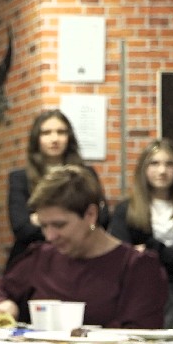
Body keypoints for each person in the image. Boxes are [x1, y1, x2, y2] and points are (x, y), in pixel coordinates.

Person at [0, 165, 168, 329]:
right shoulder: (40, 258)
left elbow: (140, 333)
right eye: (43, 226)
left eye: (59, 225)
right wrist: (3, 303)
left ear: (90, 214)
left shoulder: (136, 267)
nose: (50, 236)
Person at [108, 139, 173, 337]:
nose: (162, 171)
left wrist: (153, 251)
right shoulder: (127, 209)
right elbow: (121, 254)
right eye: (154, 163)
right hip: (139, 291)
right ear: (143, 169)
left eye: (169, 164)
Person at [7, 109, 102, 267]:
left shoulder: (86, 173)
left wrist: (39, 219)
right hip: (32, 260)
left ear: (69, 137)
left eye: (61, 132)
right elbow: (21, 228)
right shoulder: (20, 178)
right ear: (37, 139)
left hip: (79, 258)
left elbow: (101, 218)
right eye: (46, 133)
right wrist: (72, 222)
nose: (54, 138)